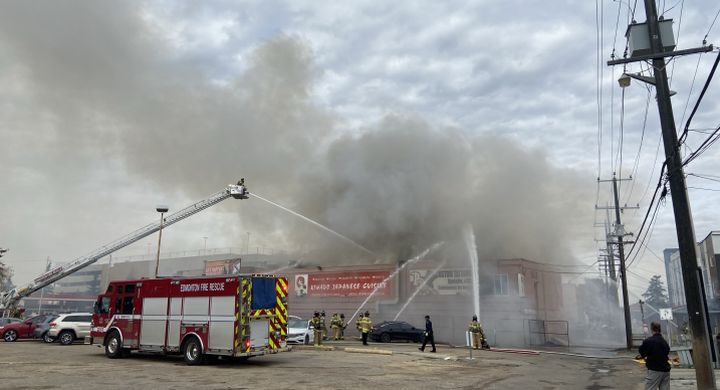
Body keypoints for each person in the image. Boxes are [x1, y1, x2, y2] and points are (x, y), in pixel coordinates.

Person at [638, 322, 671, 390]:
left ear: (651, 329)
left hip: (655, 370)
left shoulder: (649, 341)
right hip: (666, 370)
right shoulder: (664, 341)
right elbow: (667, 351)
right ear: (660, 329)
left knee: (650, 388)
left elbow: (642, 352)